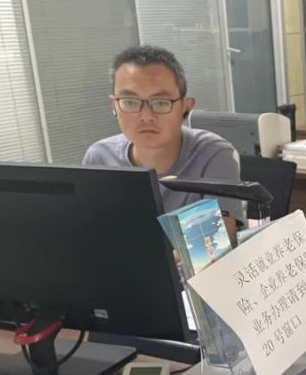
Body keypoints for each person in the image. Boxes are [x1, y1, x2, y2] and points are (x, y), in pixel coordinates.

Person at [83, 45, 245, 241]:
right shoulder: (99, 158)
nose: (146, 116)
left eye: (160, 103)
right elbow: (90, 234)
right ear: (114, 105)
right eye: (130, 102)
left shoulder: (213, 155)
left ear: (185, 107)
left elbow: (215, 244)